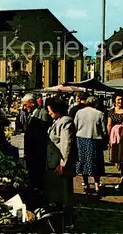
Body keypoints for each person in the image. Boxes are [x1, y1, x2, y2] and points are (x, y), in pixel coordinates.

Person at [46, 98, 76, 230]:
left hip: (61, 163)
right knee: (58, 191)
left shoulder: (66, 122)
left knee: (65, 193)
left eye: (50, 110)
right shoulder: (57, 121)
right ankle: (59, 218)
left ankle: (67, 221)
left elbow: (66, 144)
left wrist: (63, 164)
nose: (49, 112)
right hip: (54, 161)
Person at [74, 96, 107, 195]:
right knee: (96, 163)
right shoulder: (100, 114)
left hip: (81, 139)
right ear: (96, 103)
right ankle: (97, 186)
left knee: (83, 162)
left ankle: (86, 184)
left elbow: (75, 126)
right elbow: (104, 130)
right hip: (95, 140)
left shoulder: (79, 112)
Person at [22, 94, 51, 203]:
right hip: (32, 150)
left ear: (32, 103)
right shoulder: (31, 113)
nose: (24, 108)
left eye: (25, 105)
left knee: (38, 174)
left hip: (37, 151)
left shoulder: (42, 113)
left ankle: (39, 196)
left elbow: (43, 134)